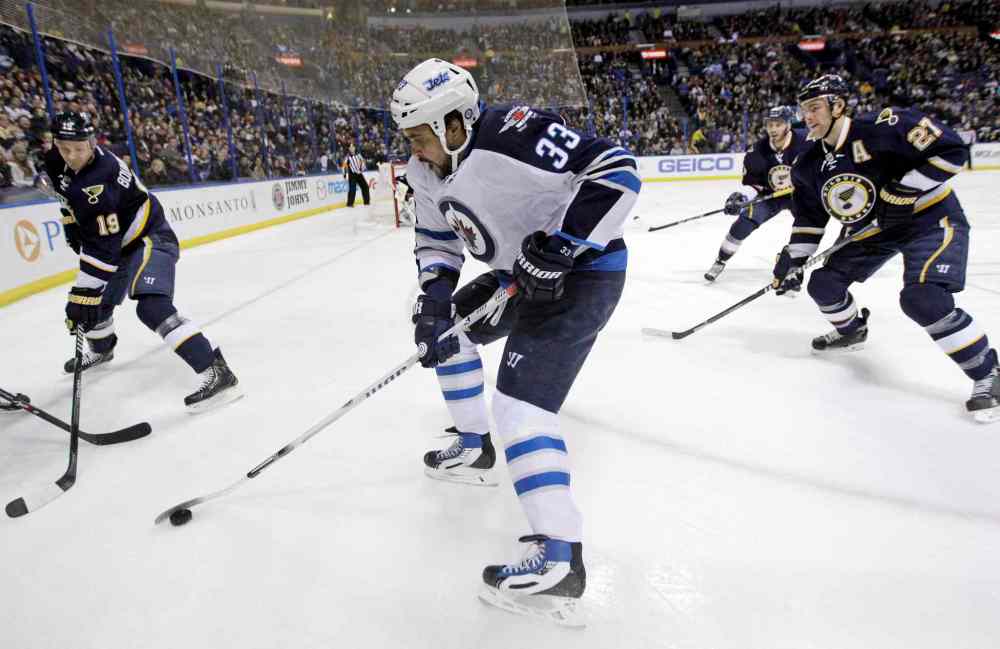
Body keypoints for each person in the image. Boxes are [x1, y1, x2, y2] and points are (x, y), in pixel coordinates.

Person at [391, 59, 638, 622]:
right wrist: (434, 298)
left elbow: (617, 172)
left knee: (523, 406)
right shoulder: (425, 169)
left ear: (455, 121)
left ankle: (559, 560)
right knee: (447, 330)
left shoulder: (514, 131)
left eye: (421, 136)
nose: (415, 149)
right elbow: (435, 236)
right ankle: (475, 447)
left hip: (583, 274)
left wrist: (562, 245)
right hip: (514, 277)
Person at [771, 75, 999, 423]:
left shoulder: (887, 125)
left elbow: (953, 151)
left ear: (838, 106)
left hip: (930, 218)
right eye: (804, 111)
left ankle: (988, 372)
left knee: (922, 299)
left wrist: (907, 188)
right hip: (873, 229)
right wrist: (793, 260)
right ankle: (852, 330)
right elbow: (810, 221)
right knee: (823, 285)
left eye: (815, 108)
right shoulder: (807, 165)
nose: (808, 118)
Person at [43, 111, 241, 412]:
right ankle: (103, 348)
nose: (71, 156)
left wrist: (80, 297)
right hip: (120, 243)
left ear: (93, 142)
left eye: (79, 149)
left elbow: (103, 250)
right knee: (96, 306)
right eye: (64, 147)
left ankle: (216, 370)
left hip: (151, 237)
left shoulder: (97, 180)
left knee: (151, 306)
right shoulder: (55, 161)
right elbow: (66, 199)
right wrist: (71, 224)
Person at [704, 106, 809, 289]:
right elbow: (751, 183)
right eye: (770, 125)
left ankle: (791, 265)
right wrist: (740, 198)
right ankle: (721, 260)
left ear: (788, 125)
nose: (773, 129)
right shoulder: (757, 151)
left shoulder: (806, 140)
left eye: (778, 124)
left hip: (799, 194)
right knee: (742, 225)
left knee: (807, 228)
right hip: (770, 195)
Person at [342, 143, 369, 208]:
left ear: (354, 148)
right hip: (352, 175)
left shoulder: (359, 155)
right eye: (350, 147)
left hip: (359, 174)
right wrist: (344, 174)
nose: (352, 148)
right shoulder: (347, 157)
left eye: (353, 147)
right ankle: (350, 204)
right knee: (352, 189)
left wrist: (362, 168)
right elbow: (344, 166)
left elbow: (363, 162)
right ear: (349, 149)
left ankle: (366, 202)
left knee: (365, 187)